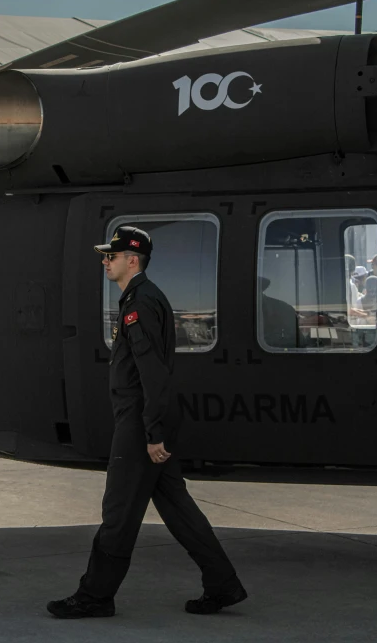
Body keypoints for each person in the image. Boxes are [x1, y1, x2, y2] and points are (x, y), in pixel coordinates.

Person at [47, 225, 247, 619]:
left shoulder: (140, 302)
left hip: (142, 424)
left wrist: (153, 432)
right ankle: (223, 585)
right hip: (150, 420)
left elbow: (152, 374)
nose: (106, 262)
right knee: (178, 508)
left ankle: (95, 596)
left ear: (132, 260)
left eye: (112, 256)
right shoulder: (141, 298)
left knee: (119, 510)